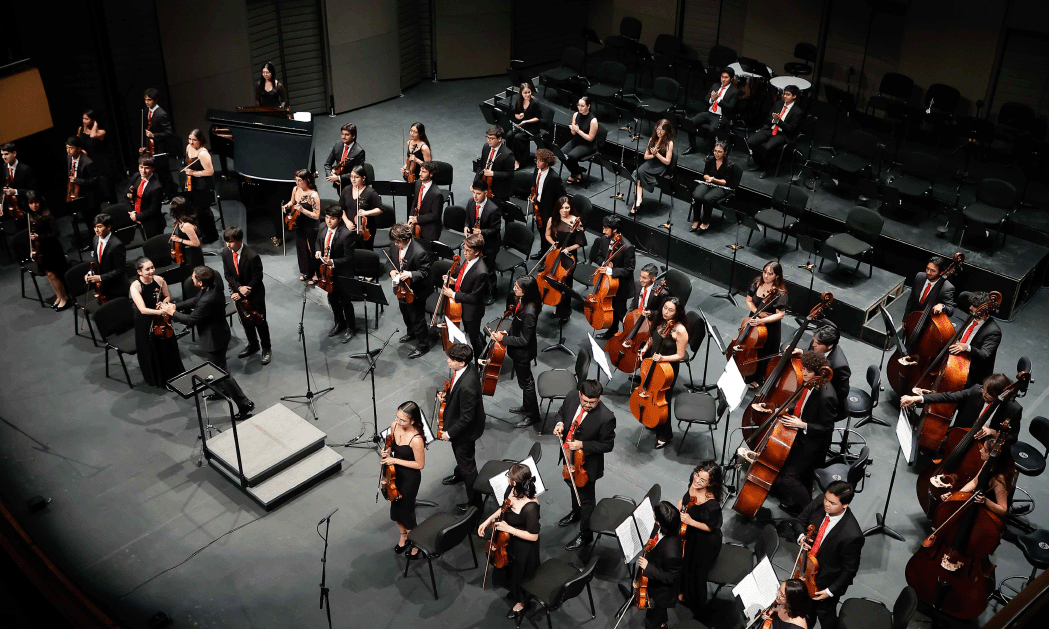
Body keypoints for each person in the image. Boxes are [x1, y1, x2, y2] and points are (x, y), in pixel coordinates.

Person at [744, 351, 837, 514]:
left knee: (788, 478)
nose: (804, 373)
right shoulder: (812, 383)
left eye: (808, 371)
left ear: (817, 373)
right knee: (803, 477)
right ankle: (796, 505)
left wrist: (802, 424)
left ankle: (811, 512)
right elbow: (803, 404)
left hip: (813, 444)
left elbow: (827, 428)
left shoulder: (826, 396)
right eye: (804, 369)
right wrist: (785, 409)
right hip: (802, 434)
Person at [160, 266, 255, 419]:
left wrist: (172, 313)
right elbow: (195, 300)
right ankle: (221, 391)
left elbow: (191, 320)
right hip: (219, 333)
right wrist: (176, 306)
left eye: (194, 277)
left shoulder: (208, 300)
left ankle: (244, 403)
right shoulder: (213, 287)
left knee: (222, 371)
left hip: (214, 339)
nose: (191, 278)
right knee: (215, 367)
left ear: (200, 283)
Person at [789, 481, 864, 629]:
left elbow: (849, 570)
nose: (826, 504)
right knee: (805, 612)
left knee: (826, 616)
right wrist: (802, 537)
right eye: (826, 499)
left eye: (832, 503)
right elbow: (799, 522)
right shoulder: (820, 501)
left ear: (845, 505)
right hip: (806, 570)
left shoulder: (852, 535)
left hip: (825, 584)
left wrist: (830, 591)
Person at [553, 380, 616, 551]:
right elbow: (560, 413)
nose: (588, 405)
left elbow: (607, 445)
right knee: (571, 486)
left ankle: (586, 534)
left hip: (586, 465)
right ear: (580, 394)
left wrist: (583, 445)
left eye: (592, 402)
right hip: (568, 457)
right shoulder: (572, 396)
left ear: (599, 398)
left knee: (587, 500)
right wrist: (559, 424)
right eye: (585, 401)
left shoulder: (606, 417)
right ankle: (576, 512)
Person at [476, 463, 540, 624]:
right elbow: (504, 507)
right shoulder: (511, 490)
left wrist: (509, 528)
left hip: (523, 545)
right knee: (509, 567)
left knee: (520, 572)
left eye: (509, 477)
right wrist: (488, 520)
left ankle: (522, 602)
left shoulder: (531, 506)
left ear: (514, 482)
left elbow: (533, 536)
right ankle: (514, 590)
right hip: (508, 538)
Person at [901, 373, 1023, 448]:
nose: (984, 394)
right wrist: (917, 398)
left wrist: (994, 432)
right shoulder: (977, 390)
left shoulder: (1013, 409)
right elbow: (949, 396)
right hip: (961, 434)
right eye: (984, 389)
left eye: (989, 394)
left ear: (1000, 396)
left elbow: (1012, 438)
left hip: (985, 444)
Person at [438, 343, 487, 513]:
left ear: (462, 362)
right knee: (461, 459)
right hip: (461, 425)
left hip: (465, 432)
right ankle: (459, 475)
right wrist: (447, 395)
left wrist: (449, 433)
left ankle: (475, 504)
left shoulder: (468, 385)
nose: (448, 361)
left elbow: (467, 417)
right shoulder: (465, 369)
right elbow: (456, 389)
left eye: (452, 359)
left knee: (468, 467)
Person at [635, 297, 689, 449]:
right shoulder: (660, 321)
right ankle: (654, 422)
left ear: (677, 313)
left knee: (662, 400)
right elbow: (652, 338)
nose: (666, 312)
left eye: (670, 310)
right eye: (665, 307)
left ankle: (665, 434)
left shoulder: (680, 330)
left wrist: (663, 358)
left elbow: (680, 355)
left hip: (667, 369)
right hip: (653, 363)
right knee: (650, 392)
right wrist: (645, 348)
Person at [491, 275, 541, 429]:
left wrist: (503, 339)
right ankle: (527, 407)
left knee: (527, 384)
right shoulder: (521, 301)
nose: (514, 289)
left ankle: (533, 416)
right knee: (524, 382)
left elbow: (524, 340)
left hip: (523, 353)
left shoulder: (530, 312)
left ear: (525, 291)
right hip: (518, 352)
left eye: (518, 288)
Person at [129, 257, 185, 388]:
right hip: (146, 321)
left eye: (152, 267)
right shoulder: (135, 287)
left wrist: (164, 304)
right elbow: (142, 309)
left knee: (167, 345)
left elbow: (167, 296)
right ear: (139, 272)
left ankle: (174, 374)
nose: (151, 271)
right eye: (147, 269)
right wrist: (162, 312)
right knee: (152, 349)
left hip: (161, 319)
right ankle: (160, 379)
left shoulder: (160, 280)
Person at [677, 462, 723, 618]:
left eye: (702, 480)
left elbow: (711, 527)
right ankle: (683, 592)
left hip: (705, 541)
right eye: (697, 475)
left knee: (697, 573)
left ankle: (697, 606)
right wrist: (676, 512)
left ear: (710, 483)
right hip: (691, 534)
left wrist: (690, 522)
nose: (696, 480)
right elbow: (684, 500)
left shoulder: (712, 504)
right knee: (685, 563)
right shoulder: (694, 482)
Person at [222, 226, 272, 365]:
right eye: (226, 241)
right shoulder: (226, 252)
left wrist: (247, 289)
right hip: (238, 293)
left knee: (259, 321)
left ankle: (266, 348)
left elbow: (257, 277)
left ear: (239, 240)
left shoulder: (252, 255)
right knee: (245, 321)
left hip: (255, 293)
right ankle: (253, 345)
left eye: (231, 241)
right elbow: (228, 274)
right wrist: (239, 290)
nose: (228, 244)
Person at [383, 400, 426, 558]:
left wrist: (394, 460)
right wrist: (386, 452)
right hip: (394, 474)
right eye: (397, 417)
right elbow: (391, 445)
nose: (398, 422)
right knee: (395, 507)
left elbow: (420, 464)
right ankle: (404, 535)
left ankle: (417, 544)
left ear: (413, 420)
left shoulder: (416, 439)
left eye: (403, 420)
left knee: (406, 512)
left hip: (410, 478)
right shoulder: (394, 425)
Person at [388, 223, 434, 359]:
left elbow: (425, 272)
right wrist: (391, 270)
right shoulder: (394, 245)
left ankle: (423, 345)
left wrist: (411, 274)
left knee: (417, 317)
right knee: (405, 313)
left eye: (398, 241)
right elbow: (390, 261)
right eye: (394, 241)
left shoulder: (419, 252)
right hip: (401, 289)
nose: (395, 244)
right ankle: (411, 332)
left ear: (407, 239)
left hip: (416, 290)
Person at [636, 501, 683, 629]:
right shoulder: (663, 528)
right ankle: (663, 624)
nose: (653, 517)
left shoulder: (672, 552)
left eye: (655, 516)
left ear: (660, 522)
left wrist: (648, 568)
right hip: (656, 574)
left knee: (652, 620)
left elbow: (670, 578)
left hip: (661, 593)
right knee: (660, 614)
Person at [315, 206, 358, 343]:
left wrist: (332, 261)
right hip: (327, 274)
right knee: (332, 299)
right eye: (327, 218)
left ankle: (351, 327)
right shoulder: (322, 227)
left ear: (339, 219)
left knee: (345, 301)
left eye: (332, 219)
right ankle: (339, 322)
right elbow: (318, 241)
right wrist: (317, 250)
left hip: (342, 273)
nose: (328, 221)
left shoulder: (346, 234)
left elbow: (349, 259)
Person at [442, 234, 488, 359]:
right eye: (464, 249)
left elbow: (474, 297)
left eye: (468, 250)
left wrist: (453, 294)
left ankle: (481, 360)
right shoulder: (469, 260)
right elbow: (465, 279)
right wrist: (454, 281)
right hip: (463, 305)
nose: (465, 253)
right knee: (473, 332)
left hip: (472, 311)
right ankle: (485, 348)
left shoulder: (481, 272)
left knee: (474, 338)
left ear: (477, 252)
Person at [793, 324, 851, 422]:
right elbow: (811, 352)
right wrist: (800, 351)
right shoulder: (816, 343)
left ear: (830, 346)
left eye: (817, 343)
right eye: (814, 341)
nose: (814, 345)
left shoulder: (839, 365)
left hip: (826, 403)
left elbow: (842, 393)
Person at [745, 261, 788, 387]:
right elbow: (748, 300)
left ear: (777, 276)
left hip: (769, 327)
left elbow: (780, 314)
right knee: (750, 347)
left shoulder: (781, 293)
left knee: (764, 352)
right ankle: (746, 372)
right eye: (764, 272)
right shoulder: (757, 283)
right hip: (754, 319)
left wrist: (761, 320)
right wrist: (757, 312)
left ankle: (758, 378)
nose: (766, 276)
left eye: (770, 274)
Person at [593, 215, 636, 340]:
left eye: (606, 229)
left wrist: (611, 270)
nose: (603, 231)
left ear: (615, 230)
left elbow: (629, 270)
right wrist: (604, 263)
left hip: (620, 286)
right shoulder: (604, 240)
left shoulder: (627, 247)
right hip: (606, 283)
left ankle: (628, 337)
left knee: (620, 312)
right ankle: (612, 331)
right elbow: (599, 256)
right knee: (610, 309)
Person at [544, 196, 586, 322]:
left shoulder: (575, 221)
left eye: (567, 208)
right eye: (562, 208)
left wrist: (568, 249)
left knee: (566, 284)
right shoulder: (553, 220)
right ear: (558, 208)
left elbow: (581, 242)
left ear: (570, 208)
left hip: (569, 256)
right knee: (554, 281)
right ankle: (557, 306)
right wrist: (553, 244)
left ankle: (565, 311)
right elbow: (547, 235)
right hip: (556, 254)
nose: (564, 210)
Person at [748, 85, 804, 178]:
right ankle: (759, 163)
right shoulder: (778, 104)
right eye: (784, 94)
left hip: (783, 134)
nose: (785, 96)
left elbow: (790, 129)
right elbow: (769, 118)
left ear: (794, 96)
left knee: (767, 147)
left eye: (788, 94)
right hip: (770, 129)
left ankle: (765, 169)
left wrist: (779, 122)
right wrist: (774, 120)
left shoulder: (797, 112)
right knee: (751, 142)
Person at [25, 192, 70, 310]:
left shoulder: (47, 214)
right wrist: (32, 249)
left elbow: (56, 233)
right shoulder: (30, 215)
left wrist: (39, 237)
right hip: (41, 249)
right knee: (48, 274)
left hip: (52, 248)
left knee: (54, 274)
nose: (34, 205)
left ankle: (64, 298)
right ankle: (58, 296)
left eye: (36, 202)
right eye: (31, 203)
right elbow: (32, 235)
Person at [951, 290, 1002, 387]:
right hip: (959, 358)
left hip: (973, 370)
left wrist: (967, 347)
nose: (970, 307)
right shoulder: (972, 316)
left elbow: (984, 354)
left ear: (984, 310)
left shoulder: (993, 331)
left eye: (974, 306)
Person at [684, 67, 739, 154]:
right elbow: (706, 100)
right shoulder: (715, 86)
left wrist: (718, 100)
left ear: (731, 79)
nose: (723, 80)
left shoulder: (734, 91)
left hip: (721, 115)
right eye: (722, 77)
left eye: (726, 77)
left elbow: (730, 107)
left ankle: (711, 152)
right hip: (710, 112)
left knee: (712, 130)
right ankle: (692, 146)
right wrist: (712, 100)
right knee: (690, 122)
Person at [464, 178, 502, 302]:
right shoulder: (471, 202)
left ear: (486, 193)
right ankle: (480, 288)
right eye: (474, 193)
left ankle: (492, 292)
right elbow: (468, 219)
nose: (475, 196)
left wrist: (482, 232)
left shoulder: (493, 209)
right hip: (475, 243)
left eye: (478, 193)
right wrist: (466, 226)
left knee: (489, 270)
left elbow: (496, 229)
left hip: (489, 245)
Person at [283, 169, 322, 284]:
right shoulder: (295, 189)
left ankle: (316, 274)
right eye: (296, 180)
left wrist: (303, 210)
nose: (297, 183)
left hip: (311, 225)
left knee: (312, 249)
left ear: (307, 180)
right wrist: (287, 205)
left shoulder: (313, 195)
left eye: (300, 181)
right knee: (302, 248)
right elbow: (292, 202)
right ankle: (306, 272)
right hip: (299, 223)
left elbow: (316, 215)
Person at [632, 119, 675, 215]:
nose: (659, 132)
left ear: (667, 131)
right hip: (651, 162)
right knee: (639, 172)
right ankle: (638, 199)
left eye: (662, 130)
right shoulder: (652, 139)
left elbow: (667, 162)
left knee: (639, 174)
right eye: (658, 129)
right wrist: (653, 155)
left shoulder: (669, 143)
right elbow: (646, 156)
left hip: (661, 166)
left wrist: (657, 154)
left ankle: (637, 202)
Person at [183, 129, 219, 244]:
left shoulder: (203, 154)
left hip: (204, 186)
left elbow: (210, 171)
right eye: (190, 139)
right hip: (192, 183)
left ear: (200, 140)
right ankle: (201, 231)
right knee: (195, 210)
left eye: (194, 140)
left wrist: (193, 173)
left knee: (203, 211)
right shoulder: (189, 148)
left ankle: (211, 235)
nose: (191, 142)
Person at [65, 137, 101, 249]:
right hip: (78, 194)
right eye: (67, 148)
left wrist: (77, 181)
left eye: (71, 148)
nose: (68, 151)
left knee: (93, 222)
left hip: (90, 197)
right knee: (85, 220)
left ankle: (98, 244)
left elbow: (94, 182)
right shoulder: (69, 158)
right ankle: (92, 243)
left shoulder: (88, 162)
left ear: (79, 149)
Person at [690, 141, 734, 232]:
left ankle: (706, 222)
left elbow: (725, 182)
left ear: (725, 152)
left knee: (708, 198)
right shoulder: (710, 159)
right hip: (709, 183)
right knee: (697, 195)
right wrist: (709, 178)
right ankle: (696, 219)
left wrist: (713, 179)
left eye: (719, 152)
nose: (716, 153)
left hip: (722, 187)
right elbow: (705, 174)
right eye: (715, 151)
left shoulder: (729, 164)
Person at [140, 88, 176, 198]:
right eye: (145, 99)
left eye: (149, 100)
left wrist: (154, 136)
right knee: (156, 174)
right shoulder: (147, 111)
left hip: (160, 149)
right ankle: (161, 194)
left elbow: (169, 133)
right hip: (151, 148)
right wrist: (144, 147)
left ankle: (170, 195)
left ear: (155, 100)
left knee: (164, 174)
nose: (147, 102)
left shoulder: (161, 114)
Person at [85, 213, 128, 301]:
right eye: (95, 227)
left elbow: (120, 270)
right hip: (103, 286)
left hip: (116, 286)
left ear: (108, 227)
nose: (96, 230)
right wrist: (91, 272)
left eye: (99, 227)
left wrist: (100, 278)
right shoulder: (95, 239)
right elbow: (96, 259)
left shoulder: (116, 245)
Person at [528, 148, 563, 257]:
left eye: (540, 160)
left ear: (547, 162)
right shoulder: (536, 169)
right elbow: (534, 183)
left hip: (548, 208)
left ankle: (547, 258)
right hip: (538, 205)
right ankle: (542, 253)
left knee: (547, 234)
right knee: (541, 230)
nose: (537, 163)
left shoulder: (554, 177)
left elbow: (562, 196)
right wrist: (533, 195)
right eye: (537, 160)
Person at [339, 165, 382, 250]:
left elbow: (380, 209)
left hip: (365, 229)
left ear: (363, 178)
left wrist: (366, 213)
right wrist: (346, 221)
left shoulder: (370, 192)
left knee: (365, 251)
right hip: (349, 227)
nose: (353, 179)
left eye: (356, 177)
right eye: (351, 177)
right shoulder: (346, 190)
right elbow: (341, 208)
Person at [124, 156, 166, 238]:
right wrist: (132, 212)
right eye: (141, 167)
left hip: (151, 222)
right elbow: (126, 195)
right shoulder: (136, 176)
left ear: (152, 168)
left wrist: (136, 217)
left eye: (146, 168)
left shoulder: (156, 187)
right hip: (136, 216)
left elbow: (153, 209)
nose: (143, 171)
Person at [561, 96, 598, 186]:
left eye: (582, 106)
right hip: (577, 140)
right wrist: (573, 129)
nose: (580, 108)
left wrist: (578, 131)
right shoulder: (575, 115)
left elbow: (590, 138)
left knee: (571, 156)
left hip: (588, 145)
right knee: (561, 154)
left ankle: (574, 173)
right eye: (578, 105)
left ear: (588, 106)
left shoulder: (593, 120)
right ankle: (578, 171)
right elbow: (573, 133)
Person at [505, 83, 542, 168]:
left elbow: (538, 118)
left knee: (518, 137)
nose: (527, 94)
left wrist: (526, 121)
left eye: (529, 92)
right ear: (521, 93)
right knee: (509, 135)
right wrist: (519, 116)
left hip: (533, 126)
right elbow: (516, 114)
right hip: (522, 125)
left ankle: (519, 160)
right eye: (525, 93)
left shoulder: (535, 102)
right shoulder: (519, 101)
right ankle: (510, 158)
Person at [475, 125, 514, 201]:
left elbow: (510, 174)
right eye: (488, 138)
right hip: (485, 182)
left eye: (492, 138)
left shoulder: (508, 154)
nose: (488, 140)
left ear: (499, 139)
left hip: (498, 187)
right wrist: (475, 183)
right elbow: (481, 165)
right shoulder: (486, 147)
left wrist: (493, 173)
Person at [169, 197, 205, 281]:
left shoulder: (187, 225)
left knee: (195, 277)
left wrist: (179, 240)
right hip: (187, 251)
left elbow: (196, 243)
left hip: (193, 255)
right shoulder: (181, 219)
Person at [407, 161, 443, 242]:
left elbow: (435, 215)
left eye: (424, 172)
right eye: (420, 171)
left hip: (430, 229)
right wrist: (411, 217)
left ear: (431, 174)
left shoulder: (437, 194)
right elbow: (415, 202)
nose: (420, 174)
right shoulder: (418, 183)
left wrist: (418, 219)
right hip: (417, 224)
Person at [324, 123, 365, 190]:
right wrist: (331, 177)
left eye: (347, 135)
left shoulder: (359, 151)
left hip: (351, 184)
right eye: (342, 134)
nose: (343, 137)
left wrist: (339, 178)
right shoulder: (337, 145)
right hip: (338, 183)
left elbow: (356, 172)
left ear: (353, 136)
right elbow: (327, 164)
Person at [1, 142, 38, 218]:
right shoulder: (4, 167)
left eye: (6, 154)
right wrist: (0, 204)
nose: (3, 157)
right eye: (2, 154)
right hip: (12, 207)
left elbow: (33, 190)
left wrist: (15, 191)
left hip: (25, 206)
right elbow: (2, 186)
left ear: (14, 153)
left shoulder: (25, 169)